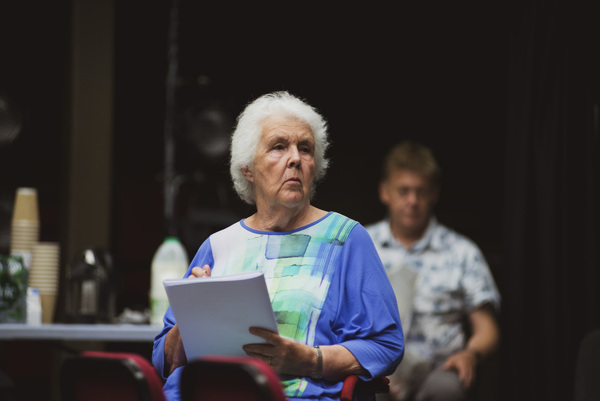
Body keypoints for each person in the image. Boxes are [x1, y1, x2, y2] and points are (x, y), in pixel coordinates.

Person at [152, 91, 405, 401]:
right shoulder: (217, 246)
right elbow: (164, 359)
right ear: (247, 169)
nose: (295, 158)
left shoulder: (345, 239)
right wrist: (189, 319)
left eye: (306, 149)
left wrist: (311, 361)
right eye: (279, 147)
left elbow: (386, 346)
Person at [365, 140, 500, 401]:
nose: (412, 201)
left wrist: (470, 355)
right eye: (403, 191)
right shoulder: (362, 245)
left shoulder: (462, 252)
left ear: (434, 194)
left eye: (421, 191)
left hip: (439, 368)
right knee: (367, 391)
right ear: (385, 192)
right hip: (378, 366)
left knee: (447, 389)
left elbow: (487, 328)